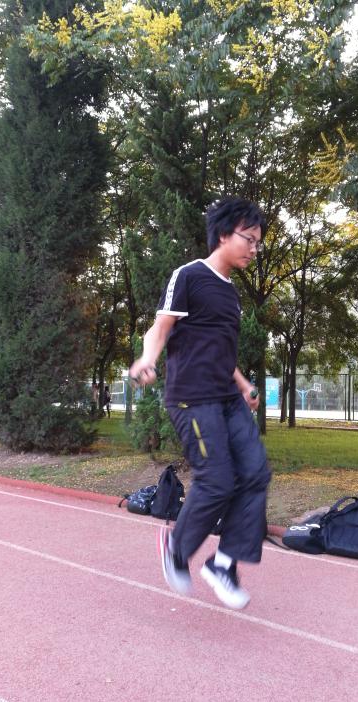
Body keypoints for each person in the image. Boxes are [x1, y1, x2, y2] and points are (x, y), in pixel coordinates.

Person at [129, 197, 271, 610]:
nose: (254, 249)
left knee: (256, 473)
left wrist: (243, 385)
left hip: (227, 397)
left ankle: (222, 564)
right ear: (224, 234)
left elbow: (221, 352)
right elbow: (160, 327)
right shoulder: (189, 275)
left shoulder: (231, 294)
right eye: (249, 239)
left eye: (258, 242)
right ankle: (177, 547)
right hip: (192, 399)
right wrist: (148, 359)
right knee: (218, 479)